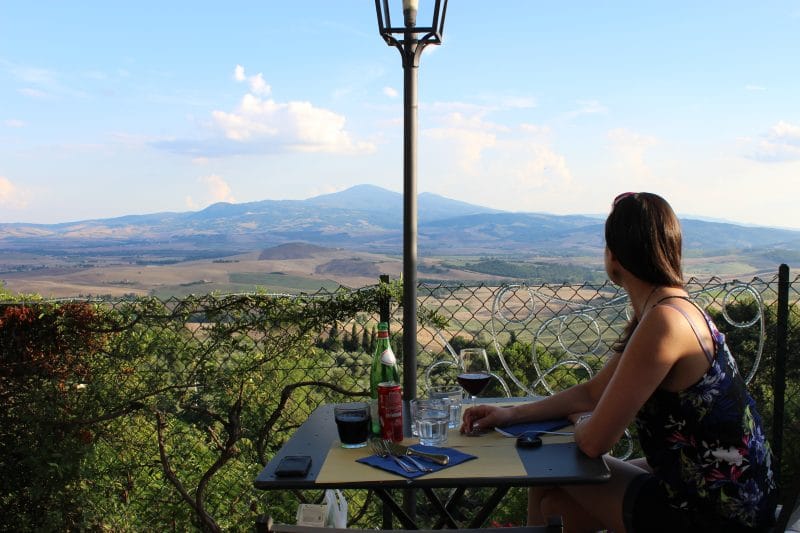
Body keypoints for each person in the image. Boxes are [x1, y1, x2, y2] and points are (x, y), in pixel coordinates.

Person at [460, 192, 777, 532]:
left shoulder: (664, 323)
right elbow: (594, 392)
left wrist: (583, 421)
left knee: (551, 473)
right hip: (722, 490)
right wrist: (509, 414)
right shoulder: (672, 309)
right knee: (554, 498)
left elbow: (594, 441)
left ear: (614, 256)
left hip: (719, 513)